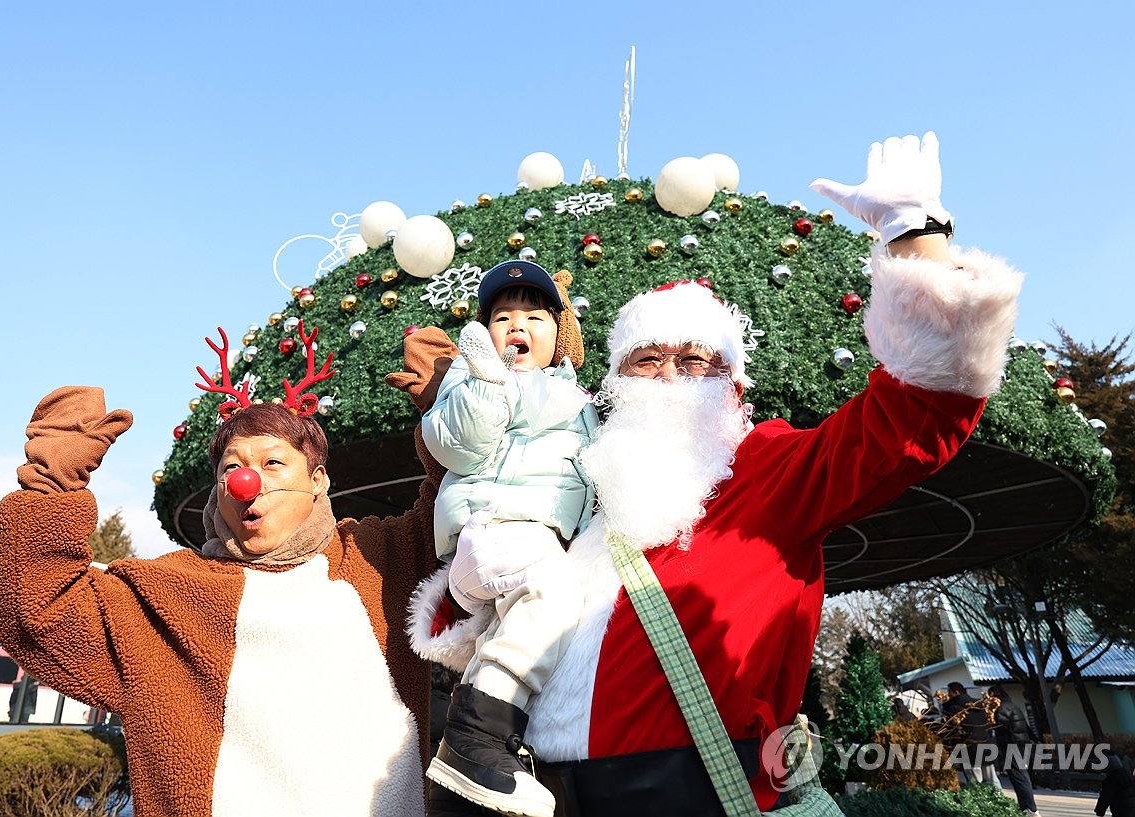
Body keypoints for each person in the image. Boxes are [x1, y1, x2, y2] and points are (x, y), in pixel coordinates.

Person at [407, 132, 1024, 816]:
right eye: (647, 359)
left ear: (733, 383)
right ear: (614, 380)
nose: (670, 374)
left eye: (696, 360)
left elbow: (913, 418)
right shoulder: (583, 488)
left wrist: (917, 238)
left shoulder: (766, 466)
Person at [0, 320, 451, 817]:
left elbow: (465, 509)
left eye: (273, 463)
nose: (247, 481)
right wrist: (53, 481)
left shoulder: (382, 555)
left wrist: (453, 414)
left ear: (317, 481)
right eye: (232, 467)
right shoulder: (163, 594)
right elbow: (37, 607)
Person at [422, 261, 596, 817]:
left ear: (558, 332)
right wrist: (486, 380)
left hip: (535, 537)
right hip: (495, 525)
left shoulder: (576, 397)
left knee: (550, 628)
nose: (517, 325)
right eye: (502, 316)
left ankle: (483, 759)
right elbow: (457, 445)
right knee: (553, 595)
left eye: (533, 316)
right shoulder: (472, 379)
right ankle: (475, 736)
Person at [987, 685, 1041, 816]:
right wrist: (1035, 739)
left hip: (1011, 744)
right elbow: (1025, 725)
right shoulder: (1013, 705)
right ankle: (1026, 807)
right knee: (1022, 774)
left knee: (1019, 776)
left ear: (995, 694)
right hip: (1021, 743)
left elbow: (1000, 724)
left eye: (990, 695)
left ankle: (1030, 808)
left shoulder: (1001, 708)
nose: (988, 699)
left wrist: (990, 718)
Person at [942, 682, 1001, 788]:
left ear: (956, 692)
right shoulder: (979, 705)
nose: (948, 695)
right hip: (986, 745)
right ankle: (1000, 799)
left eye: (949, 692)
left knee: (975, 781)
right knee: (992, 778)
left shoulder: (954, 708)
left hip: (969, 747)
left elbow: (951, 731)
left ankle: (981, 802)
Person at [1096, 748, 1135, 817]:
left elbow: (1106, 795)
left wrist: (1100, 810)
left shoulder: (1112, 778)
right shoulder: (1125, 773)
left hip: (1121, 810)